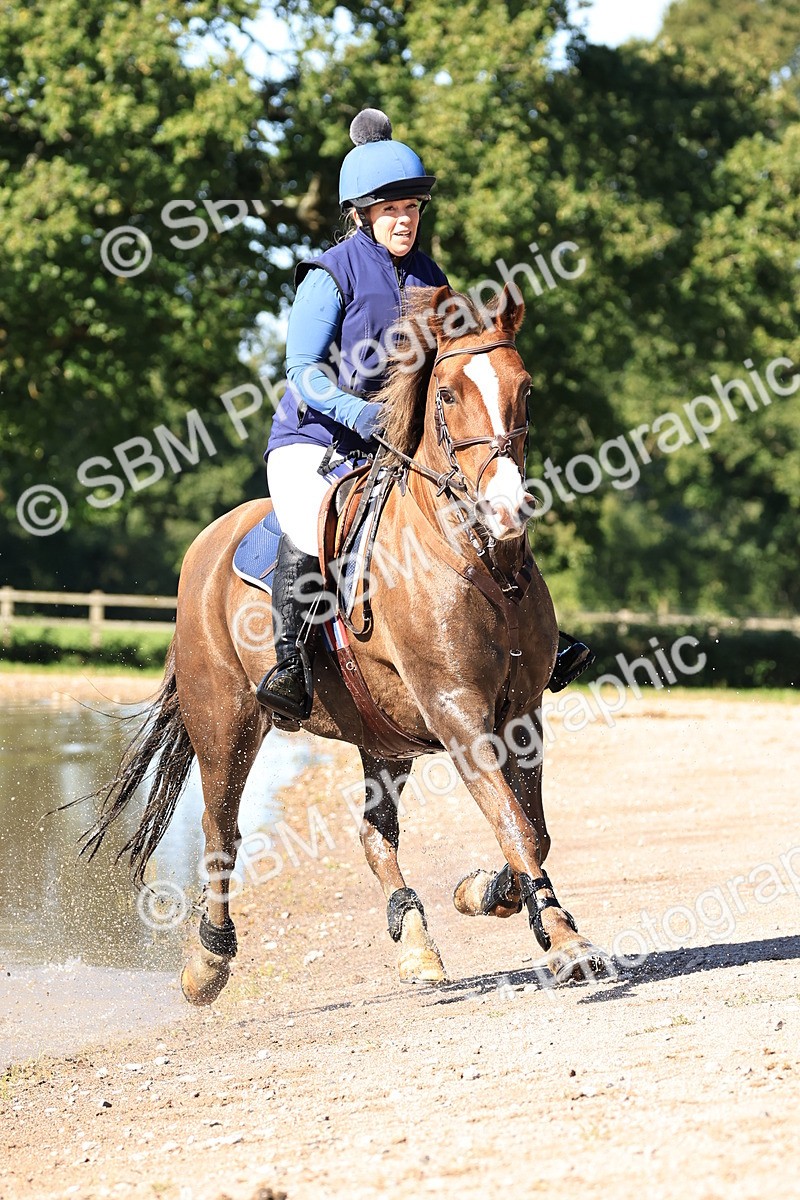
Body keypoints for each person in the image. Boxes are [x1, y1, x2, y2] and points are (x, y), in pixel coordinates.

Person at [256, 108, 593, 720]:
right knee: (309, 527)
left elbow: (456, 362)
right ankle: (290, 661)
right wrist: (358, 413)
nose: (405, 219)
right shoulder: (328, 276)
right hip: (316, 439)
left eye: (412, 208)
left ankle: (540, 637)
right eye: (391, 209)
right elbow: (302, 370)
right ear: (362, 214)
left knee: (489, 498)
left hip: (395, 444)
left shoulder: (432, 278)